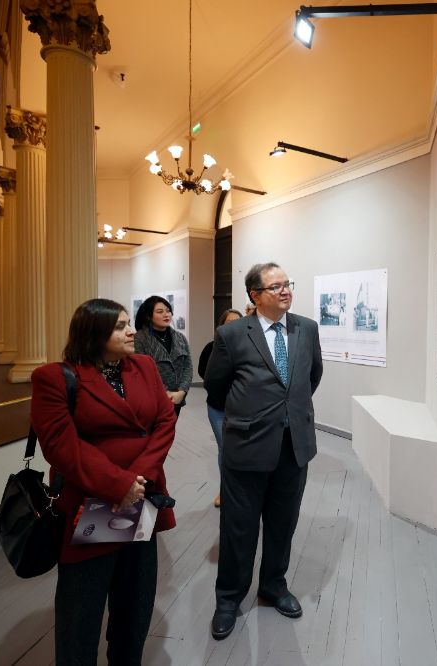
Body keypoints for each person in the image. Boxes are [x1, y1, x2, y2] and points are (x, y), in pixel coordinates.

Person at [30, 298, 176, 665]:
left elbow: (163, 423)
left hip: (140, 497)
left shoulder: (143, 366)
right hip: (93, 501)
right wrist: (118, 485)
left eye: (129, 323)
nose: (131, 331)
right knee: (81, 610)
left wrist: (136, 480)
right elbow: (62, 447)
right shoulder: (55, 378)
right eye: (119, 326)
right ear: (93, 333)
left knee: (134, 604)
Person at [204, 263, 323, 640]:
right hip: (248, 447)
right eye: (276, 287)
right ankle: (228, 599)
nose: (286, 291)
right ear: (255, 295)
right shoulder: (233, 334)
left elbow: (311, 377)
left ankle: (273, 586)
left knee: (282, 524)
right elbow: (216, 388)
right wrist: (252, 415)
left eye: (288, 283)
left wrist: (289, 413)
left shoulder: (307, 328)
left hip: (294, 447)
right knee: (238, 528)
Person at [197, 308, 243, 507]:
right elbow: (203, 372)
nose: (233, 326)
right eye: (229, 322)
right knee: (225, 449)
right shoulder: (211, 347)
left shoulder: (249, 347)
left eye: (238, 322)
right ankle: (226, 491)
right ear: (221, 326)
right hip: (218, 409)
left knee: (245, 450)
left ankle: (243, 490)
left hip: (244, 410)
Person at [134, 295, 193, 416]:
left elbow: (188, 367)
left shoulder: (180, 337)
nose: (166, 315)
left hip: (177, 398)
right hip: (152, 398)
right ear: (149, 316)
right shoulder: (139, 338)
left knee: (170, 431)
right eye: (160, 312)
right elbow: (140, 371)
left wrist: (182, 391)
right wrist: (164, 392)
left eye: (168, 311)